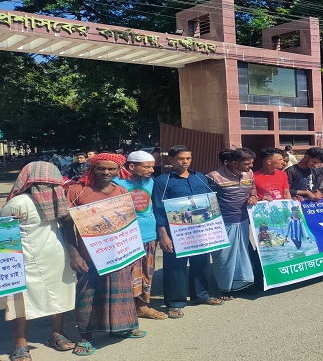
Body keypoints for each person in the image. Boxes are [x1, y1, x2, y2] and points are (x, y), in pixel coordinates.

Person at [64, 153, 147, 356]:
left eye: (112, 169)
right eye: (101, 168)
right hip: (89, 256)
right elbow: (67, 226)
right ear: (93, 169)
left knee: (120, 293)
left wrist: (132, 251)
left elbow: (127, 224)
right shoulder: (77, 191)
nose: (106, 172)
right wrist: (74, 254)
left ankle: (122, 328)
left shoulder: (120, 191)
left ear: (119, 170)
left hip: (118, 254)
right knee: (88, 296)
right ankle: (86, 337)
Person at [1, 162, 77, 361]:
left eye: (52, 184)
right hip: (26, 260)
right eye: (42, 184)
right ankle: (20, 343)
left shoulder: (60, 199)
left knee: (59, 297)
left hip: (57, 257)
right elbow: (6, 240)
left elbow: (69, 224)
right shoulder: (18, 204)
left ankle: (57, 334)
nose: (48, 190)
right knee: (21, 303)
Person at [152, 145, 224, 320]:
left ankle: (201, 295)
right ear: (171, 160)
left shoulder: (200, 178)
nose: (185, 162)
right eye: (180, 158)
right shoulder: (163, 181)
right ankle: (175, 302)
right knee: (175, 267)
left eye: (188, 158)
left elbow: (211, 202)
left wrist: (215, 229)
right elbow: (159, 209)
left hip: (201, 230)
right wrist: (163, 234)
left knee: (202, 262)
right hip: (177, 231)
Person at [113, 151, 167, 320]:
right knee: (127, 275)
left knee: (146, 272)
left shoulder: (150, 182)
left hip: (149, 234)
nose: (152, 170)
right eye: (147, 166)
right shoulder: (116, 183)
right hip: (127, 237)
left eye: (152, 166)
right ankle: (127, 310)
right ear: (131, 166)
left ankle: (142, 306)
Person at [207, 148, 257, 299]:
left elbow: (253, 188)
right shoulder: (213, 177)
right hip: (224, 223)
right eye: (247, 163)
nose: (251, 166)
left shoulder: (249, 174)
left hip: (242, 220)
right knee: (224, 256)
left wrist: (253, 196)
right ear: (234, 163)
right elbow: (208, 201)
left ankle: (243, 283)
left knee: (243, 254)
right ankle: (225, 288)